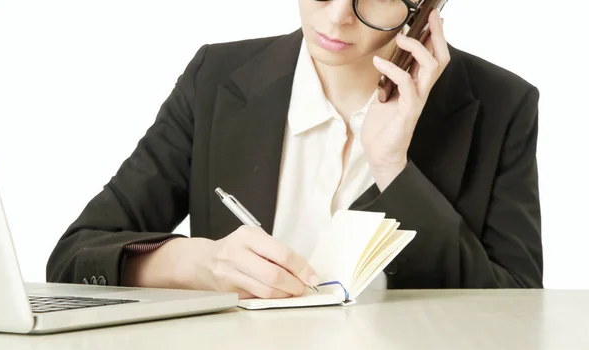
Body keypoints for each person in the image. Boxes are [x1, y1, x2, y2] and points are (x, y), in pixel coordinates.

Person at [45, 0, 543, 299]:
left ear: (427, 11)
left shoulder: (501, 104)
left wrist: (394, 169)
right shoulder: (216, 78)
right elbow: (75, 255)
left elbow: (519, 307)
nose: (337, 17)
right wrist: (201, 264)